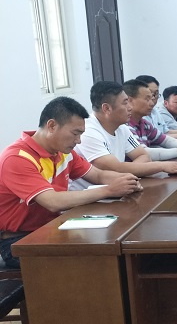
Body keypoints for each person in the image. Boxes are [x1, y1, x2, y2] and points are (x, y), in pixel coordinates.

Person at [0, 96, 142, 268]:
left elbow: (98, 175)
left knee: (113, 242)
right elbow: (52, 202)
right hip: (19, 241)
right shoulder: (17, 158)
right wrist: (109, 190)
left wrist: (128, 181)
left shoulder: (62, 152)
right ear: (52, 126)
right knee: (96, 260)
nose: (79, 141)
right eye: (75, 134)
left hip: (53, 228)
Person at [73, 81, 177, 190]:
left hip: (118, 191)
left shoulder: (121, 127)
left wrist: (128, 172)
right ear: (107, 108)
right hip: (88, 200)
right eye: (125, 103)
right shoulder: (88, 131)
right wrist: (161, 166)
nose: (130, 107)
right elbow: (114, 167)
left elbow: (143, 155)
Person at [124, 79, 177, 159]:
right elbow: (144, 153)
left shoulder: (144, 124)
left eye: (152, 98)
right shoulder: (126, 126)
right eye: (147, 99)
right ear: (130, 100)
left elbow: (164, 139)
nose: (152, 103)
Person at [136, 74, 177, 143]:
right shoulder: (158, 112)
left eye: (156, 94)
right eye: (149, 95)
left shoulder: (155, 111)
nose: (153, 99)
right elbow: (156, 139)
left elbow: (165, 132)